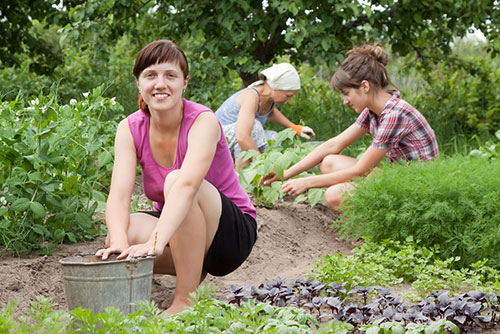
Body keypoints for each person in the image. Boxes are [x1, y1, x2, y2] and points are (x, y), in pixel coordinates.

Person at [95, 40, 257, 316]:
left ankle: (185, 299)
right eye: (150, 75)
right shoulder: (130, 128)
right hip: (182, 228)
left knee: (176, 180)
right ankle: (192, 269)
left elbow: (188, 185)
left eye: (170, 75)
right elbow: (119, 196)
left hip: (229, 234)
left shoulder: (202, 121)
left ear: (185, 82)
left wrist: (156, 241)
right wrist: (120, 242)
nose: (160, 84)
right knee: (123, 230)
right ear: (138, 83)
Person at [261, 42, 439, 212]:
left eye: (347, 94)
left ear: (365, 86)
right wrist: (286, 172)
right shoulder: (374, 110)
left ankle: (374, 231)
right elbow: (333, 144)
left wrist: (307, 182)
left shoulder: (394, 115)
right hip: (398, 178)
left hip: (417, 191)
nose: (345, 101)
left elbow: (359, 170)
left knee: (335, 195)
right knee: (330, 162)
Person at [215, 63, 315, 169]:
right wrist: (262, 166)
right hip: (215, 141)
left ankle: (263, 179)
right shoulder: (251, 97)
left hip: (233, 140)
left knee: (274, 138)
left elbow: (271, 113)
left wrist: (296, 128)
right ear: (275, 88)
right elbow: (242, 137)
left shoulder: (267, 99)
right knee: (254, 127)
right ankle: (242, 178)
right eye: (288, 96)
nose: (289, 100)